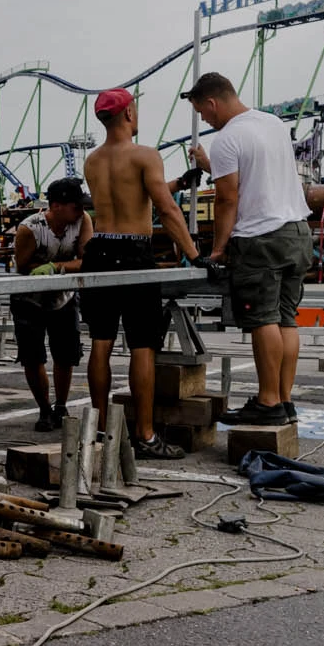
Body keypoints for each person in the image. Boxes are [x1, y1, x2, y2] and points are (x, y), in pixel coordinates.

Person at [187, 71, 314, 427]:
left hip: (260, 240)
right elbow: (257, 176)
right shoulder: (272, 124)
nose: (204, 120)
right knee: (287, 319)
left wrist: (219, 248)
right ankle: (284, 400)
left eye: (202, 113)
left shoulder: (227, 138)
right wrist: (209, 166)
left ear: (212, 102)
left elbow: (228, 198)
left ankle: (267, 400)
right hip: (296, 232)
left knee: (262, 319)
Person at [81, 89, 201, 458]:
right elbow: (162, 208)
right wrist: (195, 255)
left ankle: (100, 433)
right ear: (129, 113)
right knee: (142, 345)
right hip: (134, 252)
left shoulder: (92, 161)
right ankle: (145, 435)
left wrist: (178, 183)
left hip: (100, 249)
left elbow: (130, 194)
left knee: (101, 341)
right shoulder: (146, 155)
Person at [12, 178, 92, 432]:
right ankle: (44, 407)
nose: (80, 211)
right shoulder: (30, 229)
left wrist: (56, 267)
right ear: (56, 206)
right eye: (75, 206)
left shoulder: (82, 222)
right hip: (30, 299)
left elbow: (87, 260)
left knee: (66, 354)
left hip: (64, 297)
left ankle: (61, 406)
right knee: (32, 356)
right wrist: (66, 267)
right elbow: (23, 267)